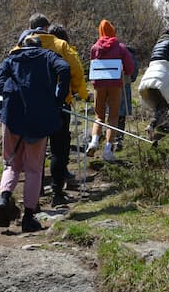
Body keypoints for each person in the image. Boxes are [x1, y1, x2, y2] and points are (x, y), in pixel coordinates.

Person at [0, 35, 71, 232]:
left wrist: (11, 95)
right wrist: (57, 98)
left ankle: (4, 198)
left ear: (22, 46)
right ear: (39, 46)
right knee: (34, 169)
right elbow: (65, 68)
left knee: (11, 164)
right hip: (39, 118)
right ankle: (28, 217)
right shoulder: (48, 56)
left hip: (12, 116)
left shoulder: (11, 59)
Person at [87, 20, 138, 163]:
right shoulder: (120, 47)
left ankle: (94, 142)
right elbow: (130, 68)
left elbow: (92, 65)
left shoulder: (94, 48)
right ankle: (108, 150)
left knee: (99, 116)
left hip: (99, 84)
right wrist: (125, 71)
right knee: (113, 117)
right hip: (115, 85)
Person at [46, 24, 84, 205]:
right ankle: (57, 192)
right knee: (59, 149)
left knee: (37, 150)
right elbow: (76, 71)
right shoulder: (62, 46)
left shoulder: (31, 45)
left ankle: (35, 193)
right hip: (61, 103)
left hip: (35, 104)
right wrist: (81, 93)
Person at [115, 43, 139, 151]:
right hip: (125, 84)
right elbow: (133, 73)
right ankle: (119, 139)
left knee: (112, 112)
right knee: (122, 114)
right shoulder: (130, 54)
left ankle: (109, 138)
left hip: (109, 83)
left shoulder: (113, 50)